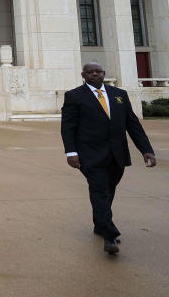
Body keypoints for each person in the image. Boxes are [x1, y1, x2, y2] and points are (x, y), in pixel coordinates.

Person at [61, 62, 156, 255]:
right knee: (100, 192)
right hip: (90, 155)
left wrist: (146, 150)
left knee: (109, 190)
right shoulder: (74, 96)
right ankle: (109, 235)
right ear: (83, 75)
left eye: (98, 71)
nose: (95, 74)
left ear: (104, 74)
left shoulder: (119, 94)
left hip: (117, 155)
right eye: (90, 72)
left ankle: (100, 224)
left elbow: (133, 124)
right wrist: (71, 152)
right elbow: (68, 127)